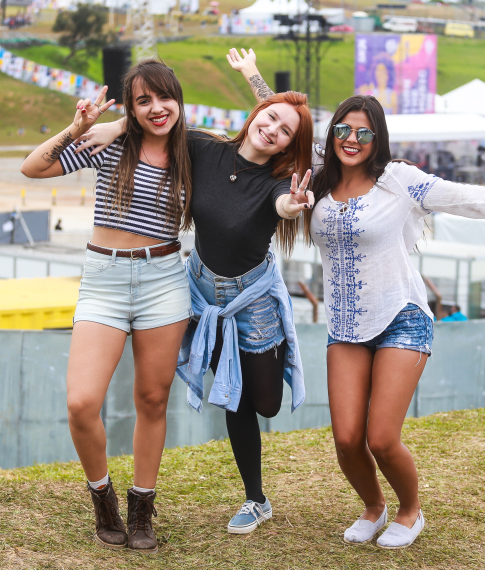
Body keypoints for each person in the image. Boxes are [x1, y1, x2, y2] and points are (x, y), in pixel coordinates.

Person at [233, 52, 485, 550]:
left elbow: (471, 198)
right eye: (343, 131)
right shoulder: (317, 176)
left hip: (402, 317)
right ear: (332, 135)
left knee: (381, 437)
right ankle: (374, 507)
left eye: (363, 132)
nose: (352, 141)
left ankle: (409, 509)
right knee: (345, 440)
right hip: (345, 325)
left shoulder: (398, 180)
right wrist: (251, 74)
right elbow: (280, 117)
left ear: (377, 139)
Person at [79, 72, 315, 539]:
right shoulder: (205, 149)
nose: (272, 130)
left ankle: (250, 388)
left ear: (289, 145)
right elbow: (156, 121)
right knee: (233, 394)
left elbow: (285, 205)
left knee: (263, 402)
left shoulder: (276, 183)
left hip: (253, 298)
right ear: (254, 116)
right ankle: (256, 499)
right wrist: (112, 126)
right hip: (203, 293)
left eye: (285, 131)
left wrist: (291, 206)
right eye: (269, 119)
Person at [21, 62, 192, 555]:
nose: (156, 109)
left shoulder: (194, 150)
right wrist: (84, 127)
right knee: (81, 402)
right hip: (105, 280)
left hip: (164, 280)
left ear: (178, 100)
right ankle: (102, 495)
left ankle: (142, 505)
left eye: (164, 99)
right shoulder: (109, 144)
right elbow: (33, 167)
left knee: (152, 399)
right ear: (131, 107)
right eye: (142, 102)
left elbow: (263, 136)